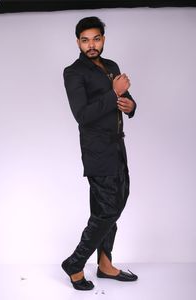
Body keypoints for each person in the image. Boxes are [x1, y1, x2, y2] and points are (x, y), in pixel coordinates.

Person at [62, 16, 138, 291]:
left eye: (96, 39)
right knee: (107, 210)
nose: (91, 45)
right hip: (96, 151)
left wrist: (130, 105)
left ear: (103, 39)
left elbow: (124, 98)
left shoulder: (112, 66)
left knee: (114, 204)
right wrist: (113, 92)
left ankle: (105, 264)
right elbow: (82, 115)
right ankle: (76, 263)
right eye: (85, 40)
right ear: (78, 43)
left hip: (118, 146)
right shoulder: (73, 72)